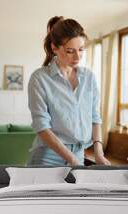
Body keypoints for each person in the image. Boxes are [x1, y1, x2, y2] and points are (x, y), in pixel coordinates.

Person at [27, 16, 110, 166]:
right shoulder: (39, 78)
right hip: (48, 157)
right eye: (70, 51)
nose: (77, 56)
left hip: (78, 154)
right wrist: (70, 159)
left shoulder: (89, 77)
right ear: (54, 48)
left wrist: (98, 153)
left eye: (81, 49)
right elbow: (41, 126)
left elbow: (95, 118)